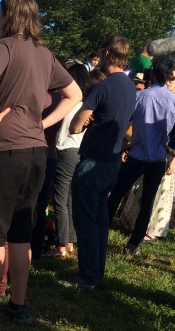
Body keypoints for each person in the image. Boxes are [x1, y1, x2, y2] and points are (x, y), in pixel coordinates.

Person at [0, 0, 81, 324]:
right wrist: (42, 123)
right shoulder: (44, 54)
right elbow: (74, 94)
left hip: (4, 151)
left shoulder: (4, 47)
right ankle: (19, 305)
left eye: (0, 12)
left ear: (9, 15)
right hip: (36, 152)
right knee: (20, 234)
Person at [58, 35, 136, 289]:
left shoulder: (101, 87)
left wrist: (83, 122)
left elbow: (76, 123)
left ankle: (87, 276)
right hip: (112, 161)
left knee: (86, 220)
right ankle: (97, 270)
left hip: (92, 161)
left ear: (105, 54)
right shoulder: (129, 86)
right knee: (101, 219)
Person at [106, 60, 175, 255]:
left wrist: (125, 144)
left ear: (152, 76)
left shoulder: (139, 96)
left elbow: (120, 121)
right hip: (158, 158)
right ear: (169, 77)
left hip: (136, 155)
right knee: (147, 202)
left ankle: (100, 232)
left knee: (116, 194)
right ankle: (133, 245)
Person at [43, 63, 92, 259]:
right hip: (78, 151)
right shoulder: (85, 104)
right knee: (70, 200)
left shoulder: (69, 102)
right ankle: (70, 240)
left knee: (60, 200)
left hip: (65, 151)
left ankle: (61, 245)